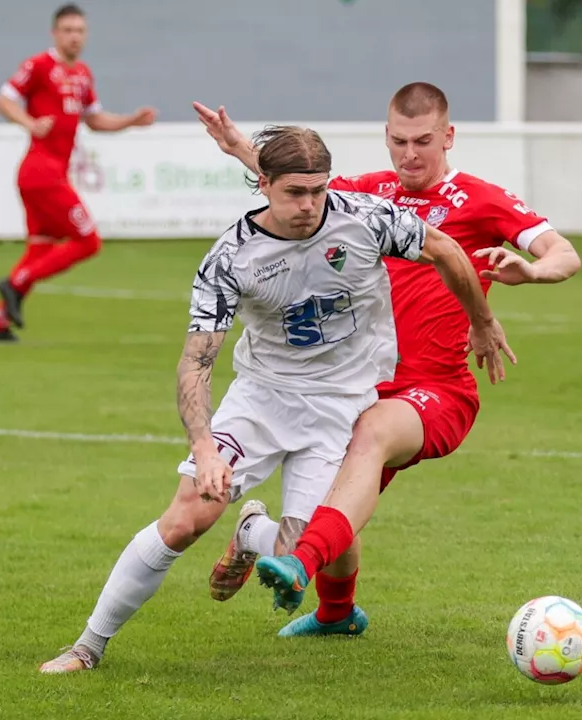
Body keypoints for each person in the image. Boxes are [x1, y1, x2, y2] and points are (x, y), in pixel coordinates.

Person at [38, 124, 513, 673]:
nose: (310, 205)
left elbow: (447, 249)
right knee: (187, 516)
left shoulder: (363, 218)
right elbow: (196, 362)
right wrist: (204, 446)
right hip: (261, 402)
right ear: (262, 184)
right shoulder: (231, 257)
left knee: (301, 558)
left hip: (340, 408)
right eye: (295, 193)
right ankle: (87, 646)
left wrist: (481, 320)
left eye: (318, 190)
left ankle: (250, 534)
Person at [194, 82, 582, 635]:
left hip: (437, 392)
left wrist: (533, 271)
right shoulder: (368, 195)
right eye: (398, 141)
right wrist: (239, 147)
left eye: (423, 140)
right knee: (336, 510)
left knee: (369, 439)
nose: (409, 154)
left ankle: (296, 566)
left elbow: (564, 253)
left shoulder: (480, 199)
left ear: (448, 136)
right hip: (359, 384)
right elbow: (297, 187)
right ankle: (335, 614)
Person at [0, 3, 157, 343]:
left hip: (50, 174)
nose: (74, 37)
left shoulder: (82, 75)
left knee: (39, 251)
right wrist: (31, 123)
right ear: (55, 33)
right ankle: (15, 284)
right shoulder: (39, 66)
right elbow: (4, 100)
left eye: (80, 31)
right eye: (68, 30)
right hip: (41, 172)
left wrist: (130, 121)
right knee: (88, 241)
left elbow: (95, 119)